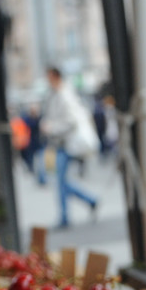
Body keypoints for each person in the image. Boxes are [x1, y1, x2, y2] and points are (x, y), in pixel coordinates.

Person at [41, 67, 100, 228]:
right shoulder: (55, 95)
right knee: (62, 181)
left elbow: (70, 121)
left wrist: (51, 128)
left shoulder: (64, 95)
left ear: (55, 76)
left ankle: (65, 217)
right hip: (61, 144)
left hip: (66, 144)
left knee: (61, 182)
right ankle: (90, 201)